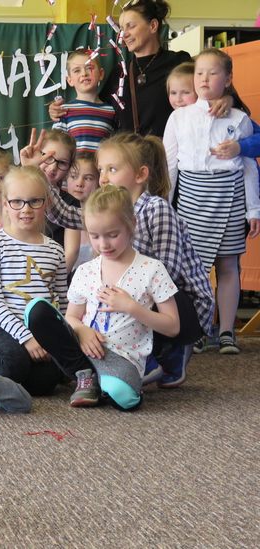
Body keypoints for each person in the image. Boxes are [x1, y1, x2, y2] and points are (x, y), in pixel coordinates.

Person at [42, 129, 214, 388]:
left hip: (182, 306)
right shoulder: (109, 209)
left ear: (140, 175)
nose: (103, 178)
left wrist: (128, 298)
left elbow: (169, 274)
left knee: (134, 290)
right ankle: (130, 357)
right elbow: (63, 215)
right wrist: (41, 174)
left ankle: (169, 354)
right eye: (101, 170)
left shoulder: (156, 209)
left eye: (112, 169)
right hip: (134, 297)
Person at [26, 186, 179, 410]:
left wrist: (132, 307)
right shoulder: (85, 271)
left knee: (121, 395)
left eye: (113, 235)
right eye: (95, 236)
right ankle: (85, 375)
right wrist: (82, 331)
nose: (103, 244)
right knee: (36, 310)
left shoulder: (152, 269)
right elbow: (72, 317)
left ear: (132, 224)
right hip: (82, 351)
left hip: (122, 358)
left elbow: (173, 326)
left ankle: (99, 384)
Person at [164, 48, 260, 355]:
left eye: (213, 72)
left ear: (228, 79)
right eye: (199, 72)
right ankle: (199, 330)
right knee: (193, 268)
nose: (204, 78)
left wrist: (254, 209)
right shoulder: (178, 117)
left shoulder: (240, 119)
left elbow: (249, 167)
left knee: (229, 263)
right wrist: (164, 206)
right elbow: (170, 166)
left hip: (229, 194)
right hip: (192, 197)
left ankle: (227, 331)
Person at [0, 166, 69, 396]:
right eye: (17, 202)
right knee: (13, 365)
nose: (26, 209)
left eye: (34, 201)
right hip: (5, 328)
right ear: (5, 204)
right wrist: (26, 338)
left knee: (47, 382)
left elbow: (62, 302)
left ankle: (20, 377)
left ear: (46, 203)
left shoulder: (56, 250)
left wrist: (60, 338)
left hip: (42, 330)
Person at [49, 0, 200, 136]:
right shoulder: (120, 72)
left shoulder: (178, 62)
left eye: (131, 26)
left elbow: (203, 96)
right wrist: (58, 111)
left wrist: (216, 103)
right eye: (121, 29)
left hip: (170, 153)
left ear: (153, 26)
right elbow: (96, 109)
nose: (124, 34)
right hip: (130, 154)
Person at [51, 50, 116, 152]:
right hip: (75, 162)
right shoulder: (63, 111)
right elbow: (56, 146)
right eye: (77, 71)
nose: (84, 74)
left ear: (101, 74)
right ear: (70, 80)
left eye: (89, 68)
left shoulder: (111, 111)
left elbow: (113, 147)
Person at [29, 129, 78, 247]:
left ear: (69, 167)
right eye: (48, 157)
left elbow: (71, 251)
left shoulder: (71, 204)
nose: (53, 167)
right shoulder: (17, 193)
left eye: (62, 163)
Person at [64, 152, 101, 273]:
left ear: (99, 181)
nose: (79, 183)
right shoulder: (60, 220)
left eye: (88, 178)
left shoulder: (103, 219)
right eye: (73, 176)